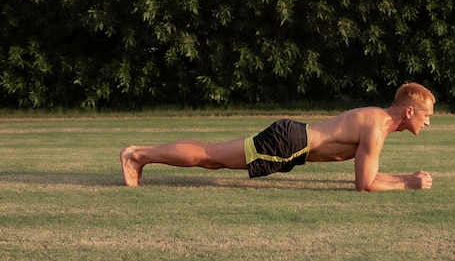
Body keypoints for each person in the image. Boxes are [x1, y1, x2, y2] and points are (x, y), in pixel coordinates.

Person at [120, 82, 435, 191]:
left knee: (212, 156)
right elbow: (365, 183)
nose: (428, 122)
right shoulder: (376, 126)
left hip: (291, 140)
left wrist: (404, 179)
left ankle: (141, 156)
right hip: (289, 144)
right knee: (210, 156)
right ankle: (137, 156)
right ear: (409, 111)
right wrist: (408, 181)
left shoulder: (379, 121)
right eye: (427, 115)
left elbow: (369, 175)